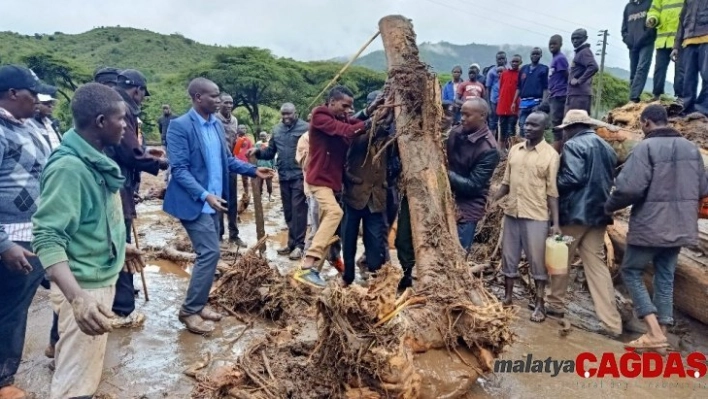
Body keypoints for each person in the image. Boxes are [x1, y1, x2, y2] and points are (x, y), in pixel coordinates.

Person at [32, 82, 145, 399]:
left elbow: (88, 221)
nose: (125, 125)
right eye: (120, 119)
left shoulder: (93, 159)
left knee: (86, 372)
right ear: (100, 122)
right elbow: (47, 236)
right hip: (84, 285)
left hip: (98, 276)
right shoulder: (69, 168)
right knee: (75, 384)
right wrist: (78, 298)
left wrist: (119, 246)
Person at [163, 78, 273, 334]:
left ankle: (199, 304)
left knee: (210, 254)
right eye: (213, 96)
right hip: (195, 202)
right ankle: (189, 311)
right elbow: (179, 170)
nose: (219, 99)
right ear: (198, 97)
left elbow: (226, 160)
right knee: (210, 253)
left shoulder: (215, 126)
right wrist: (204, 195)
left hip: (215, 201)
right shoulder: (179, 127)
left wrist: (254, 171)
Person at [605, 104, 708, 349]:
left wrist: (608, 207)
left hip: (651, 226)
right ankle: (660, 334)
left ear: (646, 122)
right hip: (681, 227)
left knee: (630, 270)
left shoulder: (646, 148)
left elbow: (628, 188)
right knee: (665, 275)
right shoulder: (690, 149)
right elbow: (704, 189)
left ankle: (653, 332)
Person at [0, 64, 56, 399]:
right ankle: (3, 381)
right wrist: (4, 243)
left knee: (16, 307)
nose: (37, 99)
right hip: (12, 238)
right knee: (10, 311)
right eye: (32, 93)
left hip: (33, 233)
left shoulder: (25, 127)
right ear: (12, 94)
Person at [546, 110, 623, 338]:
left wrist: (549, 182)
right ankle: (612, 323)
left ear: (572, 128)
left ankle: (554, 304)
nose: (565, 134)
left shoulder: (573, 146)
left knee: (559, 258)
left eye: (566, 129)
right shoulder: (607, 148)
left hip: (574, 214)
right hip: (599, 215)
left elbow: (572, 178)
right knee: (596, 266)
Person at [106, 69, 167, 329]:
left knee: (115, 241)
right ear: (137, 90)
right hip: (116, 184)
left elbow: (131, 147)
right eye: (143, 95)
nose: (142, 100)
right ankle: (123, 308)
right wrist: (159, 162)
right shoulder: (123, 107)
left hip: (115, 181)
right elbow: (128, 152)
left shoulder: (110, 102)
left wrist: (144, 152)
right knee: (121, 242)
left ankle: (115, 301)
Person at [295, 86, 373, 287]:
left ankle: (309, 274)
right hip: (318, 180)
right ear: (331, 103)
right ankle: (307, 266)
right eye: (344, 105)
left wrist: (372, 112)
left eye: (351, 106)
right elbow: (348, 130)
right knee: (334, 214)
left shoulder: (341, 118)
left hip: (332, 183)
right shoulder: (320, 116)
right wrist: (369, 122)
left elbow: (354, 122)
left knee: (324, 228)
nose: (348, 109)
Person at [492, 111, 561, 323]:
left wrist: (555, 223)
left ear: (544, 129)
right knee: (509, 257)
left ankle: (540, 303)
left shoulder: (550, 155)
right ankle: (508, 297)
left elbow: (552, 192)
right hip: (512, 212)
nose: (527, 128)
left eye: (533, 125)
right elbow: (506, 182)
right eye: (526, 124)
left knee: (538, 262)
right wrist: (492, 202)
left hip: (536, 215)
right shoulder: (515, 150)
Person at [341, 91, 392, 286]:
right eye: (375, 106)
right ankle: (347, 276)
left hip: (377, 197)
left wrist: (388, 179)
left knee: (375, 242)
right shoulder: (356, 128)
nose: (380, 110)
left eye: (382, 106)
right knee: (349, 239)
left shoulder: (391, 130)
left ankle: (374, 277)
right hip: (354, 194)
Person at [249, 103, 309, 260]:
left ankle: (300, 246)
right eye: (283, 114)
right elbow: (270, 152)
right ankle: (291, 243)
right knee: (289, 211)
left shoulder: (306, 128)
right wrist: (258, 152)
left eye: (289, 114)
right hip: (283, 176)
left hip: (300, 176)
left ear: (296, 113)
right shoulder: (277, 130)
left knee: (299, 211)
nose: (286, 117)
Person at [446, 98, 500, 251]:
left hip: (467, 207)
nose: (462, 118)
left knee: (458, 256)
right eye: (461, 114)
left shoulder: (489, 149)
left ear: (482, 116)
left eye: (467, 115)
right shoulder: (456, 132)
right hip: (447, 197)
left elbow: (473, 186)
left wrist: (444, 173)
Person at [295, 121, 344, 273]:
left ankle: (334, 258)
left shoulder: (336, 135)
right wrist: (319, 146)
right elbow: (305, 164)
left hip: (337, 189)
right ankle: (306, 269)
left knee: (335, 228)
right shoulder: (306, 138)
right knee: (318, 229)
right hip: (316, 190)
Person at [214, 95, 246, 246]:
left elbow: (234, 142)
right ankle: (219, 235)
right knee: (218, 199)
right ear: (219, 104)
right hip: (216, 165)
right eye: (225, 102)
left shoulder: (234, 121)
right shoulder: (213, 119)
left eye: (231, 103)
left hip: (231, 164)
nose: (228, 105)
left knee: (232, 201)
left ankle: (234, 235)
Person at [672, 0, 708, 115]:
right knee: (688, 78)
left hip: (706, 40)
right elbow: (681, 22)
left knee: (707, 75)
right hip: (688, 41)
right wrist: (676, 46)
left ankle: (702, 109)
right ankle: (687, 108)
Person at [646, 0, 685, 101]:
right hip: (663, 39)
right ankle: (656, 95)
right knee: (659, 69)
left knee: (680, 69)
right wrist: (652, 19)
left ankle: (680, 97)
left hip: (680, 39)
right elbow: (654, 11)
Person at [622, 0, 657, 103]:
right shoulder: (628, 7)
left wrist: (643, 38)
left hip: (646, 43)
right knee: (633, 71)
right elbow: (624, 29)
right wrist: (627, 40)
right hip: (632, 45)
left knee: (642, 68)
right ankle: (633, 98)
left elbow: (652, 26)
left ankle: (633, 97)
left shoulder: (651, 3)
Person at [513, 47, 549, 137]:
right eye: (533, 54)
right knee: (522, 126)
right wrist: (513, 102)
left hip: (536, 103)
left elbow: (545, 88)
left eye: (537, 54)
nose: (535, 56)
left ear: (541, 55)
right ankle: (524, 147)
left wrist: (543, 103)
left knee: (535, 127)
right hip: (524, 103)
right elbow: (519, 87)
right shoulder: (523, 69)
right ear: (530, 55)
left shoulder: (543, 69)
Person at [566, 29, 599, 115]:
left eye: (578, 38)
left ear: (585, 38)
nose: (575, 41)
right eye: (573, 39)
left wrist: (579, 80)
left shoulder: (584, 52)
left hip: (579, 95)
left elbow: (593, 67)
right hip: (575, 94)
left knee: (576, 122)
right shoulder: (579, 52)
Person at [496, 55, 522, 150]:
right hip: (503, 105)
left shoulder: (520, 74)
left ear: (520, 63)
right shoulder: (504, 74)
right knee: (502, 129)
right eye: (513, 61)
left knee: (511, 129)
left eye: (517, 61)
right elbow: (501, 88)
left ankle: (512, 150)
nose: (514, 63)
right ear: (510, 62)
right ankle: (501, 151)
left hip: (513, 106)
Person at [547, 35, 569, 142]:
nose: (552, 46)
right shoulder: (554, 59)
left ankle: (557, 153)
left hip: (560, 95)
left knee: (557, 125)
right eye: (550, 44)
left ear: (560, 45)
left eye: (554, 43)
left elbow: (567, 75)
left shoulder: (560, 59)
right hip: (553, 95)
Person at [486, 51, 508, 134]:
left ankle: (504, 143)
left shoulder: (509, 70)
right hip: (494, 100)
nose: (501, 61)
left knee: (504, 122)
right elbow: (488, 88)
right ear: (496, 60)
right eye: (499, 59)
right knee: (493, 122)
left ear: (506, 59)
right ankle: (492, 143)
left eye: (503, 59)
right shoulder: (491, 72)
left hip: (506, 100)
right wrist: (488, 105)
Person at [255, 132, 274, 201]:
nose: (263, 138)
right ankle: (260, 196)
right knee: (259, 183)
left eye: (264, 136)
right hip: (260, 167)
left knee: (269, 184)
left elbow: (273, 156)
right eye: (261, 136)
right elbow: (255, 155)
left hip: (268, 167)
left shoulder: (270, 145)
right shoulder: (257, 145)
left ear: (267, 136)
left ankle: (270, 195)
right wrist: (255, 165)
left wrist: (273, 166)